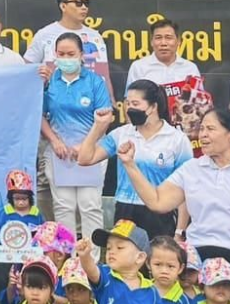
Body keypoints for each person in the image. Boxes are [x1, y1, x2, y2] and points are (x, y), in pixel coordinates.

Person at [114, 109, 230, 263]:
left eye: (210, 129)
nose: (203, 134)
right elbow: (157, 201)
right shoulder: (191, 169)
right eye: (202, 129)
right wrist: (129, 164)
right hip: (196, 255)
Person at [75, 79, 191, 236]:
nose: (130, 108)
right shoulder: (121, 134)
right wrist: (98, 127)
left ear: (153, 106)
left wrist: (180, 231)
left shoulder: (177, 139)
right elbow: (84, 159)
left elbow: (185, 189)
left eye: (135, 104)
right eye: (128, 103)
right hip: (125, 209)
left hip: (160, 213)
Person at [40, 32, 114, 241]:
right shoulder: (50, 83)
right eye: (61, 54)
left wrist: (85, 146)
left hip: (91, 153)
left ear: (81, 55)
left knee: (90, 205)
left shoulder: (94, 82)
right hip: (60, 154)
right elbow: (39, 116)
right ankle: (67, 256)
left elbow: (105, 117)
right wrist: (55, 141)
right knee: (63, 206)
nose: (66, 58)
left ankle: (91, 257)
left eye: (71, 54)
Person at [24, 0, 112, 86]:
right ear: (63, 6)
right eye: (78, 3)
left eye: (86, 3)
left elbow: (104, 76)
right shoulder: (44, 34)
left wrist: (110, 96)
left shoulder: (95, 37)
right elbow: (27, 70)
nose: (84, 7)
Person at [125, 17, 200, 89]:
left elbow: (199, 96)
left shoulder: (190, 68)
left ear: (178, 41)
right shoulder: (138, 67)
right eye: (158, 38)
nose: (163, 43)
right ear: (151, 42)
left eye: (168, 37)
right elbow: (130, 96)